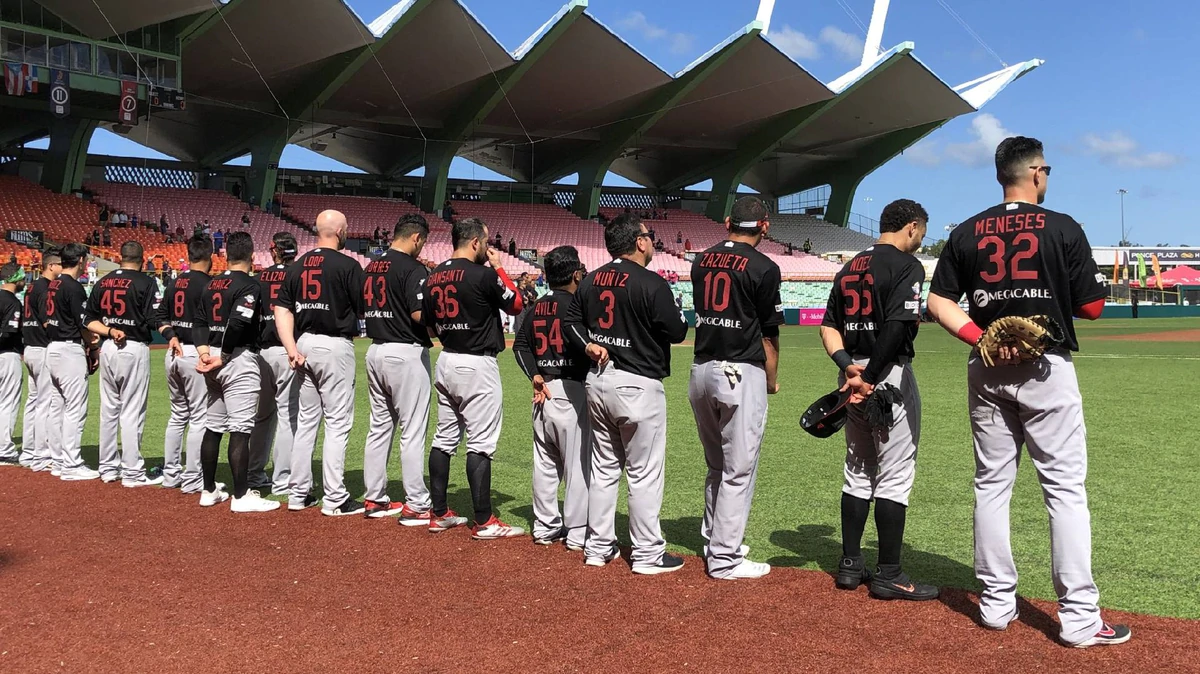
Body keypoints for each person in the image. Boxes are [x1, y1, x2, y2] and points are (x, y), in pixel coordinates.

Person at [925, 136, 1128, 648]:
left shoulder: (967, 230)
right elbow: (1093, 308)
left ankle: (995, 605)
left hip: (986, 365)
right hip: (1045, 367)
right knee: (1063, 490)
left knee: (991, 485)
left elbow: (938, 302)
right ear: (1036, 173)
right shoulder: (1062, 226)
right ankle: (1080, 619)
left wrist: (983, 336)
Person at [819, 198, 935, 600]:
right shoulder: (906, 266)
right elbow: (899, 326)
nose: (920, 238)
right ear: (911, 227)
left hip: (849, 374)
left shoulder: (848, 266)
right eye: (921, 230)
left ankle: (850, 565)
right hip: (886, 377)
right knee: (895, 473)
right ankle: (890, 573)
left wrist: (848, 368)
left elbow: (828, 327)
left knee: (858, 468)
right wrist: (868, 378)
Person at [565, 213, 689, 574]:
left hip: (598, 379)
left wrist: (588, 345)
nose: (652, 242)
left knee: (603, 470)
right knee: (643, 472)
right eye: (650, 237)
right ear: (639, 241)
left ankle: (598, 546)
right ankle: (648, 553)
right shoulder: (651, 282)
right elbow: (678, 331)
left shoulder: (590, 281)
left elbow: (570, 322)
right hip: (638, 383)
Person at [687, 196, 782, 580]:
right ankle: (724, 558)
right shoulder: (764, 266)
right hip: (740, 372)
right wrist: (772, 380)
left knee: (716, 466)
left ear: (727, 222)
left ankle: (716, 540)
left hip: (701, 369)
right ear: (764, 226)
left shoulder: (701, 260)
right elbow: (769, 335)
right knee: (738, 469)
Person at [422, 217, 526, 538]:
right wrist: (499, 268)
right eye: (486, 241)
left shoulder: (434, 275)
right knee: (480, 444)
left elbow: (427, 324)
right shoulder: (482, 274)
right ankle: (483, 520)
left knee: (444, 439)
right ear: (475, 243)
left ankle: (439, 512)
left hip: (447, 358)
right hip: (476, 364)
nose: (488, 247)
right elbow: (517, 304)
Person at [275, 210, 366, 516]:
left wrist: (290, 347)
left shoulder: (297, 264)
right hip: (334, 344)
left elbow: (282, 309)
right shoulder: (348, 264)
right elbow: (364, 307)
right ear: (340, 231)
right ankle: (335, 497)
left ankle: (299, 492)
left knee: (306, 423)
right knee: (337, 424)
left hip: (303, 343)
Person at [194, 231, 279, 512]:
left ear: (225, 255)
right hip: (237, 358)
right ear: (252, 257)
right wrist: (226, 355)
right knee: (241, 430)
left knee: (214, 426)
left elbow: (199, 322)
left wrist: (205, 354)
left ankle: (208, 490)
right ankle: (241, 496)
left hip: (212, 360)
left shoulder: (211, 284)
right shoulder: (250, 285)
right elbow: (238, 324)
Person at [512, 246, 590, 548]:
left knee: (545, 465)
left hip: (543, 392)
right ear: (575, 273)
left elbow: (520, 346)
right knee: (577, 465)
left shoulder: (536, 307)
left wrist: (534, 375)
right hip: (572, 392)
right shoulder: (578, 307)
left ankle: (545, 526)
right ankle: (578, 531)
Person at [360, 214, 434, 522]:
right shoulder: (412, 268)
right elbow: (419, 315)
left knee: (379, 428)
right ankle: (416, 501)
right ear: (416, 238)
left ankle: (375, 498)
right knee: (412, 430)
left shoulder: (371, 265)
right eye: (423, 242)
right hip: (405, 352)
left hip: (375, 348)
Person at [85, 241, 163, 487]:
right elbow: (154, 318)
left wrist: (109, 329)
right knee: (131, 411)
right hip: (133, 346)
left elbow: (88, 319)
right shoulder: (146, 282)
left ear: (120, 258)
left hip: (108, 345)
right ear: (142, 260)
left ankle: (107, 468)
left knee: (109, 410)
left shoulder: (103, 281)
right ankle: (132, 471)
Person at [157, 235, 215, 494]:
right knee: (199, 417)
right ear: (210, 257)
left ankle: (171, 474)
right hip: (195, 352)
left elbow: (159, 316)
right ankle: (193, 478)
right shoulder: (210, 284)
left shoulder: (174, 283)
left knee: (178, 415)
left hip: (173, 351)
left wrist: (171, 336)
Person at [249, 232, 299, 495]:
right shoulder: (298, 275)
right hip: (287, 350)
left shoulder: (259, 279)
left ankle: (255, 472)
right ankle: (283, 478)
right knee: (289, 417)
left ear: (274, 251)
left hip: (261, 353)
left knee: (262, 417)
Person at [44, 243, 99, 480]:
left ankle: (58, 460)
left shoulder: (53, 283)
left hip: (53, 347)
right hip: (68, 348)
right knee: (75, 409)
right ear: (80, 261)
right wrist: (94, 346)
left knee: (58, 408)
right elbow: (83, 323)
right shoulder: (74, 287)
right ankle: (71, 463)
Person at [17, 249, 61, 470]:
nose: (62, 268)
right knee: (45, 402)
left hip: (30, 347)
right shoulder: (44, 288)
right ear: (51, 266)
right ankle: (41, 454)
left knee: (33, 401)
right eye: (60, 264)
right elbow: (47, 321)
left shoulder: (31, 285)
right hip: (42, 347)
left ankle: (29, 450)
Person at [0, 262, 26, 466]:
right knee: (7, 403)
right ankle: (4, 449)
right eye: (22, 278)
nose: (24, 282)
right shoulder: (13, 303)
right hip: (6, 355)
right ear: (15, 279)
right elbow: (8, 332)